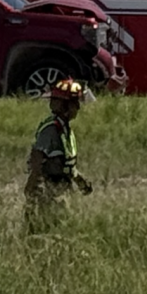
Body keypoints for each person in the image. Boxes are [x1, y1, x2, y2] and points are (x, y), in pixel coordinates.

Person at [25, 77, 94, 230]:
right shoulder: (51, 129)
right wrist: (32, 191)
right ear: (64, 106)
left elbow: (66, 163)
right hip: (49, 191)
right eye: (75, 103)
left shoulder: (65, 130)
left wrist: (80, 181)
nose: (78, 107)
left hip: (63, 189)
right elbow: (37, 160)